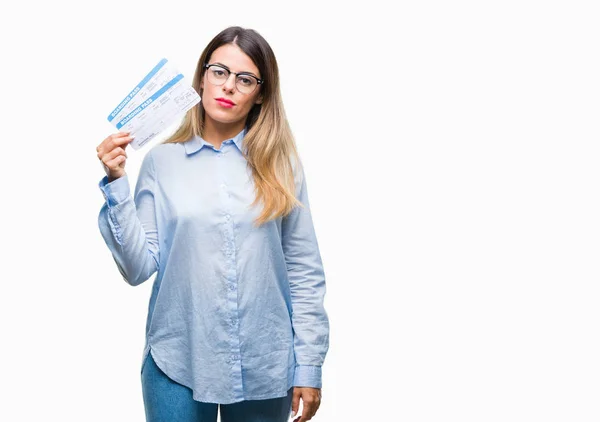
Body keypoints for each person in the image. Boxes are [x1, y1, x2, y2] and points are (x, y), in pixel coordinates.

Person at [95, 26, 330, 422]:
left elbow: (303, 271)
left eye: (245, 79)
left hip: (264, 363)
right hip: (178, 360)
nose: (229, 87)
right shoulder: (161, 162)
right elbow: (137, 268)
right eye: (219, 71)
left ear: (261, 94)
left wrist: (308, 365)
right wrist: (117, 183)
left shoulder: (281, 165)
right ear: (202, 77)